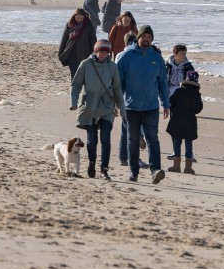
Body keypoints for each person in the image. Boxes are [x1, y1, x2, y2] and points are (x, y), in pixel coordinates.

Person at [115, 24, 170, 184]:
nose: (146, 39)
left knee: (153, 138)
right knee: (132, 140)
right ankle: (134, 172)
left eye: (149, 37)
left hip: (151, 107)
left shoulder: (157, 58)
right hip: (131, 107)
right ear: (138, 38)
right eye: (143, 36)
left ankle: (155, 170)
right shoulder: (127, 56)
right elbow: (119, 83)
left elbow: (163, 84)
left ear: (151, 39)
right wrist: (117, 102)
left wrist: (165, 104)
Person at [70, 40, 125, 180]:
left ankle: (104, 170)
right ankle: (92, 162)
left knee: (106, 139)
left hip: (106, 107)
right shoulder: (85, 64)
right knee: (92, 141)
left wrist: (121, 108)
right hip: (89, 107)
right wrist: (74, 102)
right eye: (100, 51)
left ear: (109, 53)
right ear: (95, 51)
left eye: (106, 52)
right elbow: (76, 85)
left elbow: (117, 88)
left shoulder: (112, 67)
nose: (103, 54)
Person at [166, 69, 203, 174]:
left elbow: (170, 102)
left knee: (177, 143)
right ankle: (188, 167)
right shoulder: (196, 94)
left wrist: (174, 111)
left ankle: (176, 166)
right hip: (190, 121)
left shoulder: (179, 91)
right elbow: (198, 108)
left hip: (177, 120)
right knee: (188, 144)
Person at [57, 8, 97, 79]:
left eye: (81, 18)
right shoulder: (69, 24)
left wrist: (94, 51)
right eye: (77, 18)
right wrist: (60, 52)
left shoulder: (88, 25)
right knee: (74, 73)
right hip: (71, 53)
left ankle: (81, 88)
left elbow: (93, 38)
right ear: (74, 16)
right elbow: (64, 39)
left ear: (84, 17)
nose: (79, 20)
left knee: (82, 74)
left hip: (85, 53)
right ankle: (74, 89)